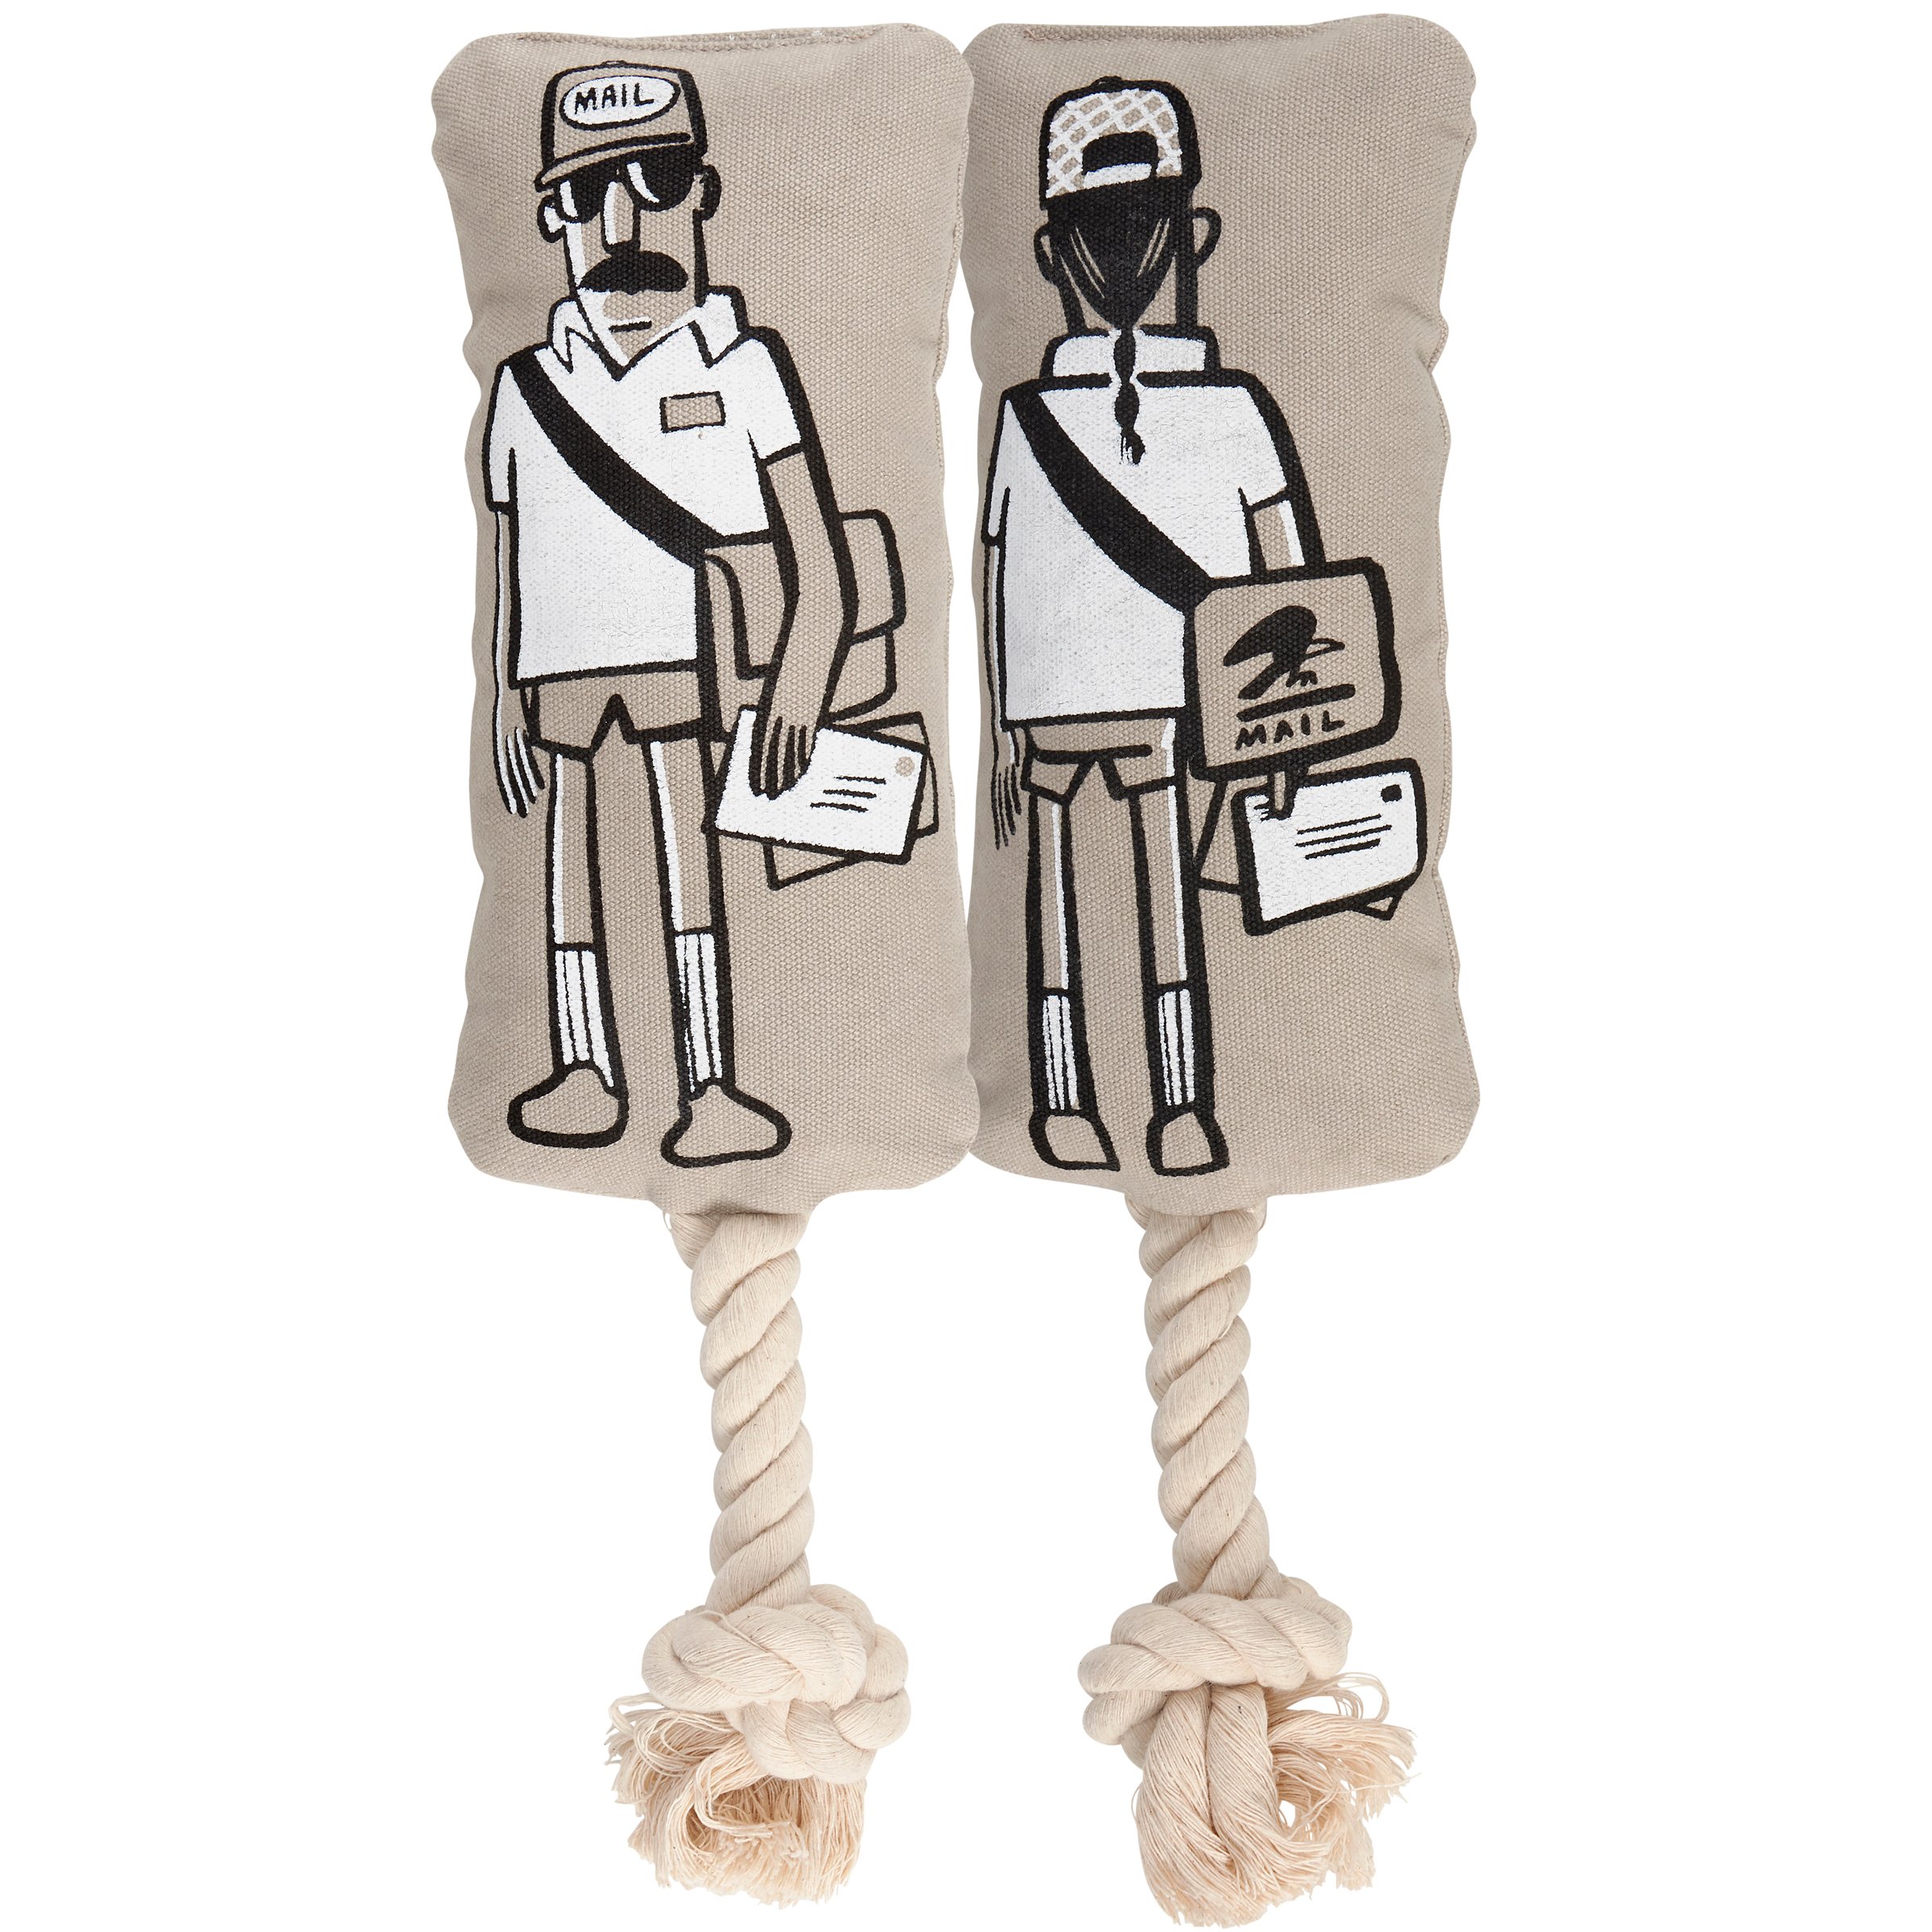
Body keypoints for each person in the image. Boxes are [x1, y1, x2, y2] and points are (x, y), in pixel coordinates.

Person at [484, 62, 853, 1163]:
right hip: (557, 670)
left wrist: (802, 680)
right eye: (585, 194)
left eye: (655, 182)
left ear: (703, 196)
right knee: (568, 867)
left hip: (687, 663)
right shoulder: (525, 389)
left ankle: (711, 1083)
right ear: (552, 219)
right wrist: (501, 693)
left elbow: (818, 554)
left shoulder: (745, 369)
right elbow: (509, 562)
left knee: (688, 860)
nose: (620, 225)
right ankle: (584, 1066)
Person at [980, 78, 1324, 1176]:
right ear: (1053, 254)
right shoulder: (1029, 418)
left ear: (1193, 234)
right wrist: (1002, 724)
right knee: (1057, 907)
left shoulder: (1235, 412)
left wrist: (1297, 729)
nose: (1121, 251)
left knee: (1164, 901)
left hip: (1181, 708)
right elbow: (999, 571)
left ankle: (1180, 1102)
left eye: (1143, 222)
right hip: (1056, 710)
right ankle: (1065, 1094)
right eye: (1098, 228)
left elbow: (1291, 579)